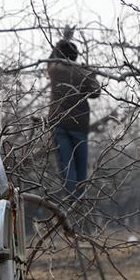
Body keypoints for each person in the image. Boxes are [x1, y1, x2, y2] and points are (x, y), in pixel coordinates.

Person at [47, 39, 101, 198]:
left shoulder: (55, 70)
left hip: (59, 123)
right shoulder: (82, 73)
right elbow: (95, 92)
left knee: (66, 164)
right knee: (80, 166)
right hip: (80, 125)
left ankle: (71, 200)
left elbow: (50, 60)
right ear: (76, 56)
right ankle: (81, 198)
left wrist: (60, 41)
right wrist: (92, 73)